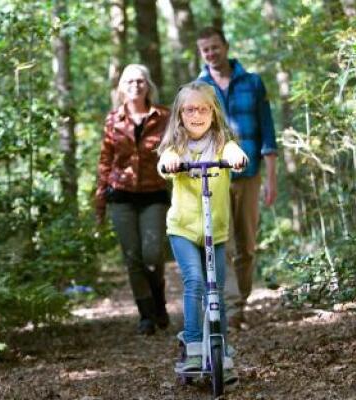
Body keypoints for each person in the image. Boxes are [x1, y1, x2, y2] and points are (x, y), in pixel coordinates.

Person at [157, 81, 247, 383]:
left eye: (203, 108)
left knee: (217, 289)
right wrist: (170, 163)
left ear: (213, 112)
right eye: (190, 109)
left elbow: (235, 152)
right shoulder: (176, 146)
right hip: (183, 229)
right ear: (180, 114)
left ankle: (221, 346)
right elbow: (164, 161)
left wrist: (237, 157)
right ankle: (194, 344)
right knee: (195, 282)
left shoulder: (223, 143)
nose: (196, 114)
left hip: (216, 232)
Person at [196, 27, 278, 330]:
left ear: (226, 46)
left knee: (247, 246)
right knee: (222, 243)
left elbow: (268, 132)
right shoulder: (199, 88)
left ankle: (239, 303)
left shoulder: (252, 82)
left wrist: (272, 178)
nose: (211, 53)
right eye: (205, 49)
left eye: (215, 47)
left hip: (250, 173)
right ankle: (231, 309)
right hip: (214, 177)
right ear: (201, 53)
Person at [95, 64, 171, 335]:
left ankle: (159, 301)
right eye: (129, 81)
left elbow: (177, 150)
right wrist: (100, 201)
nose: (135, 86)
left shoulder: (164, 117)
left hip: (154, 194)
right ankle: (146, 315)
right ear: (121, 88)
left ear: (148, 85)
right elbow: (105, 161)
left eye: (140, 81)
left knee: (152, 255)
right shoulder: (113, 119)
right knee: (133, 258)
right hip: (121, 195)